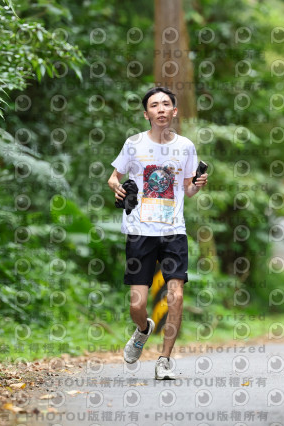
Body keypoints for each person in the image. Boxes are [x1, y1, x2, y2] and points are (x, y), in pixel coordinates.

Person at [107, 87, 208, 380]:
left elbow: (187, 189)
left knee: (176, 296)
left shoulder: (185, 146)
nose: (161, 109)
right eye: (154, 105)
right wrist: (116, 187)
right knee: (137, 304)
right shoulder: (133, 144)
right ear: (146, 114)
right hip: (139, 231)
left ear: (174, 111)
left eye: (166, 104)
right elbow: (113, 177)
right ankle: (143, 329)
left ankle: (164, 360)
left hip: (173, 231)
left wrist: (196, 185)